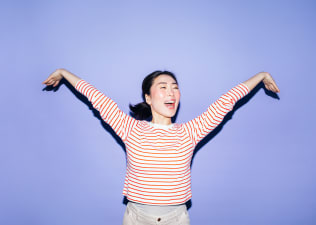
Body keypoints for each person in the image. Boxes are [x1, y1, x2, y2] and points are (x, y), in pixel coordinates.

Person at [43, 69, 280, 225]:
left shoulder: (190, 131)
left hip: (176, 219)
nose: (171, 92)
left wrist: (261, 76)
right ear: (148, 97)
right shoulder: (130, 128)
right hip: (136, 218)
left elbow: (226, 103)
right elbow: (98, 99)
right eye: (163, 86)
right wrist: (64, 73)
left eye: (175, 87)